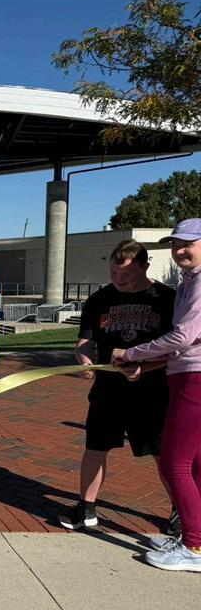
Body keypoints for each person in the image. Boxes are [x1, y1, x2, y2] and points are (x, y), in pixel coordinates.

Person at [60, 240, 175, 532]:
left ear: (145, 267)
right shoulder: (99, 299)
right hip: (108, 390)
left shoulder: (166, 298)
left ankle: (180, 512)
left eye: (126, 273)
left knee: (163, 454)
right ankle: (86, 508)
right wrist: (85, 359)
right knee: (95, 447)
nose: (119, 279)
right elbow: (85, 342)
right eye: (113, 273)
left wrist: (146, 367)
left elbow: (178, 349)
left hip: (153, 392)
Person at [113, 218, 201, 572]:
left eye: (188, 244)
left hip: (195, 379)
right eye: (176, 244)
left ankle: (194, 545)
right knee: (194, 464)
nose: (180, 251)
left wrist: (132, 353)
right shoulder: (189, 281)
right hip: (186, 374)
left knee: (173, 463)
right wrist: (146, 364)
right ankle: (194, 536)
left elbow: (183, 337)